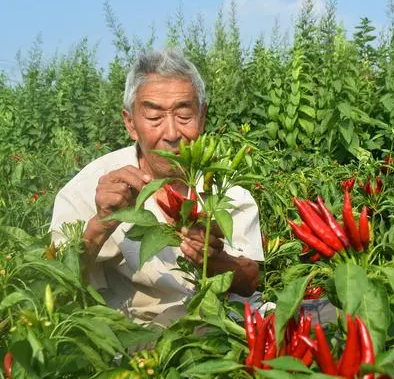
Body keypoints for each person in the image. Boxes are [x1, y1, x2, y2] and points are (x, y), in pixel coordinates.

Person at [49, 48, 264, 327]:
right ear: (131, 123)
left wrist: (216, 261)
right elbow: (57, 282)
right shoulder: (92, 186)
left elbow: (250, 281)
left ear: (202, 116)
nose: (172, 134)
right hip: (145, 335)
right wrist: (102, 221)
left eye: (184, 115)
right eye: (154, 118)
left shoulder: (224, 189)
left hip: (230, 320)